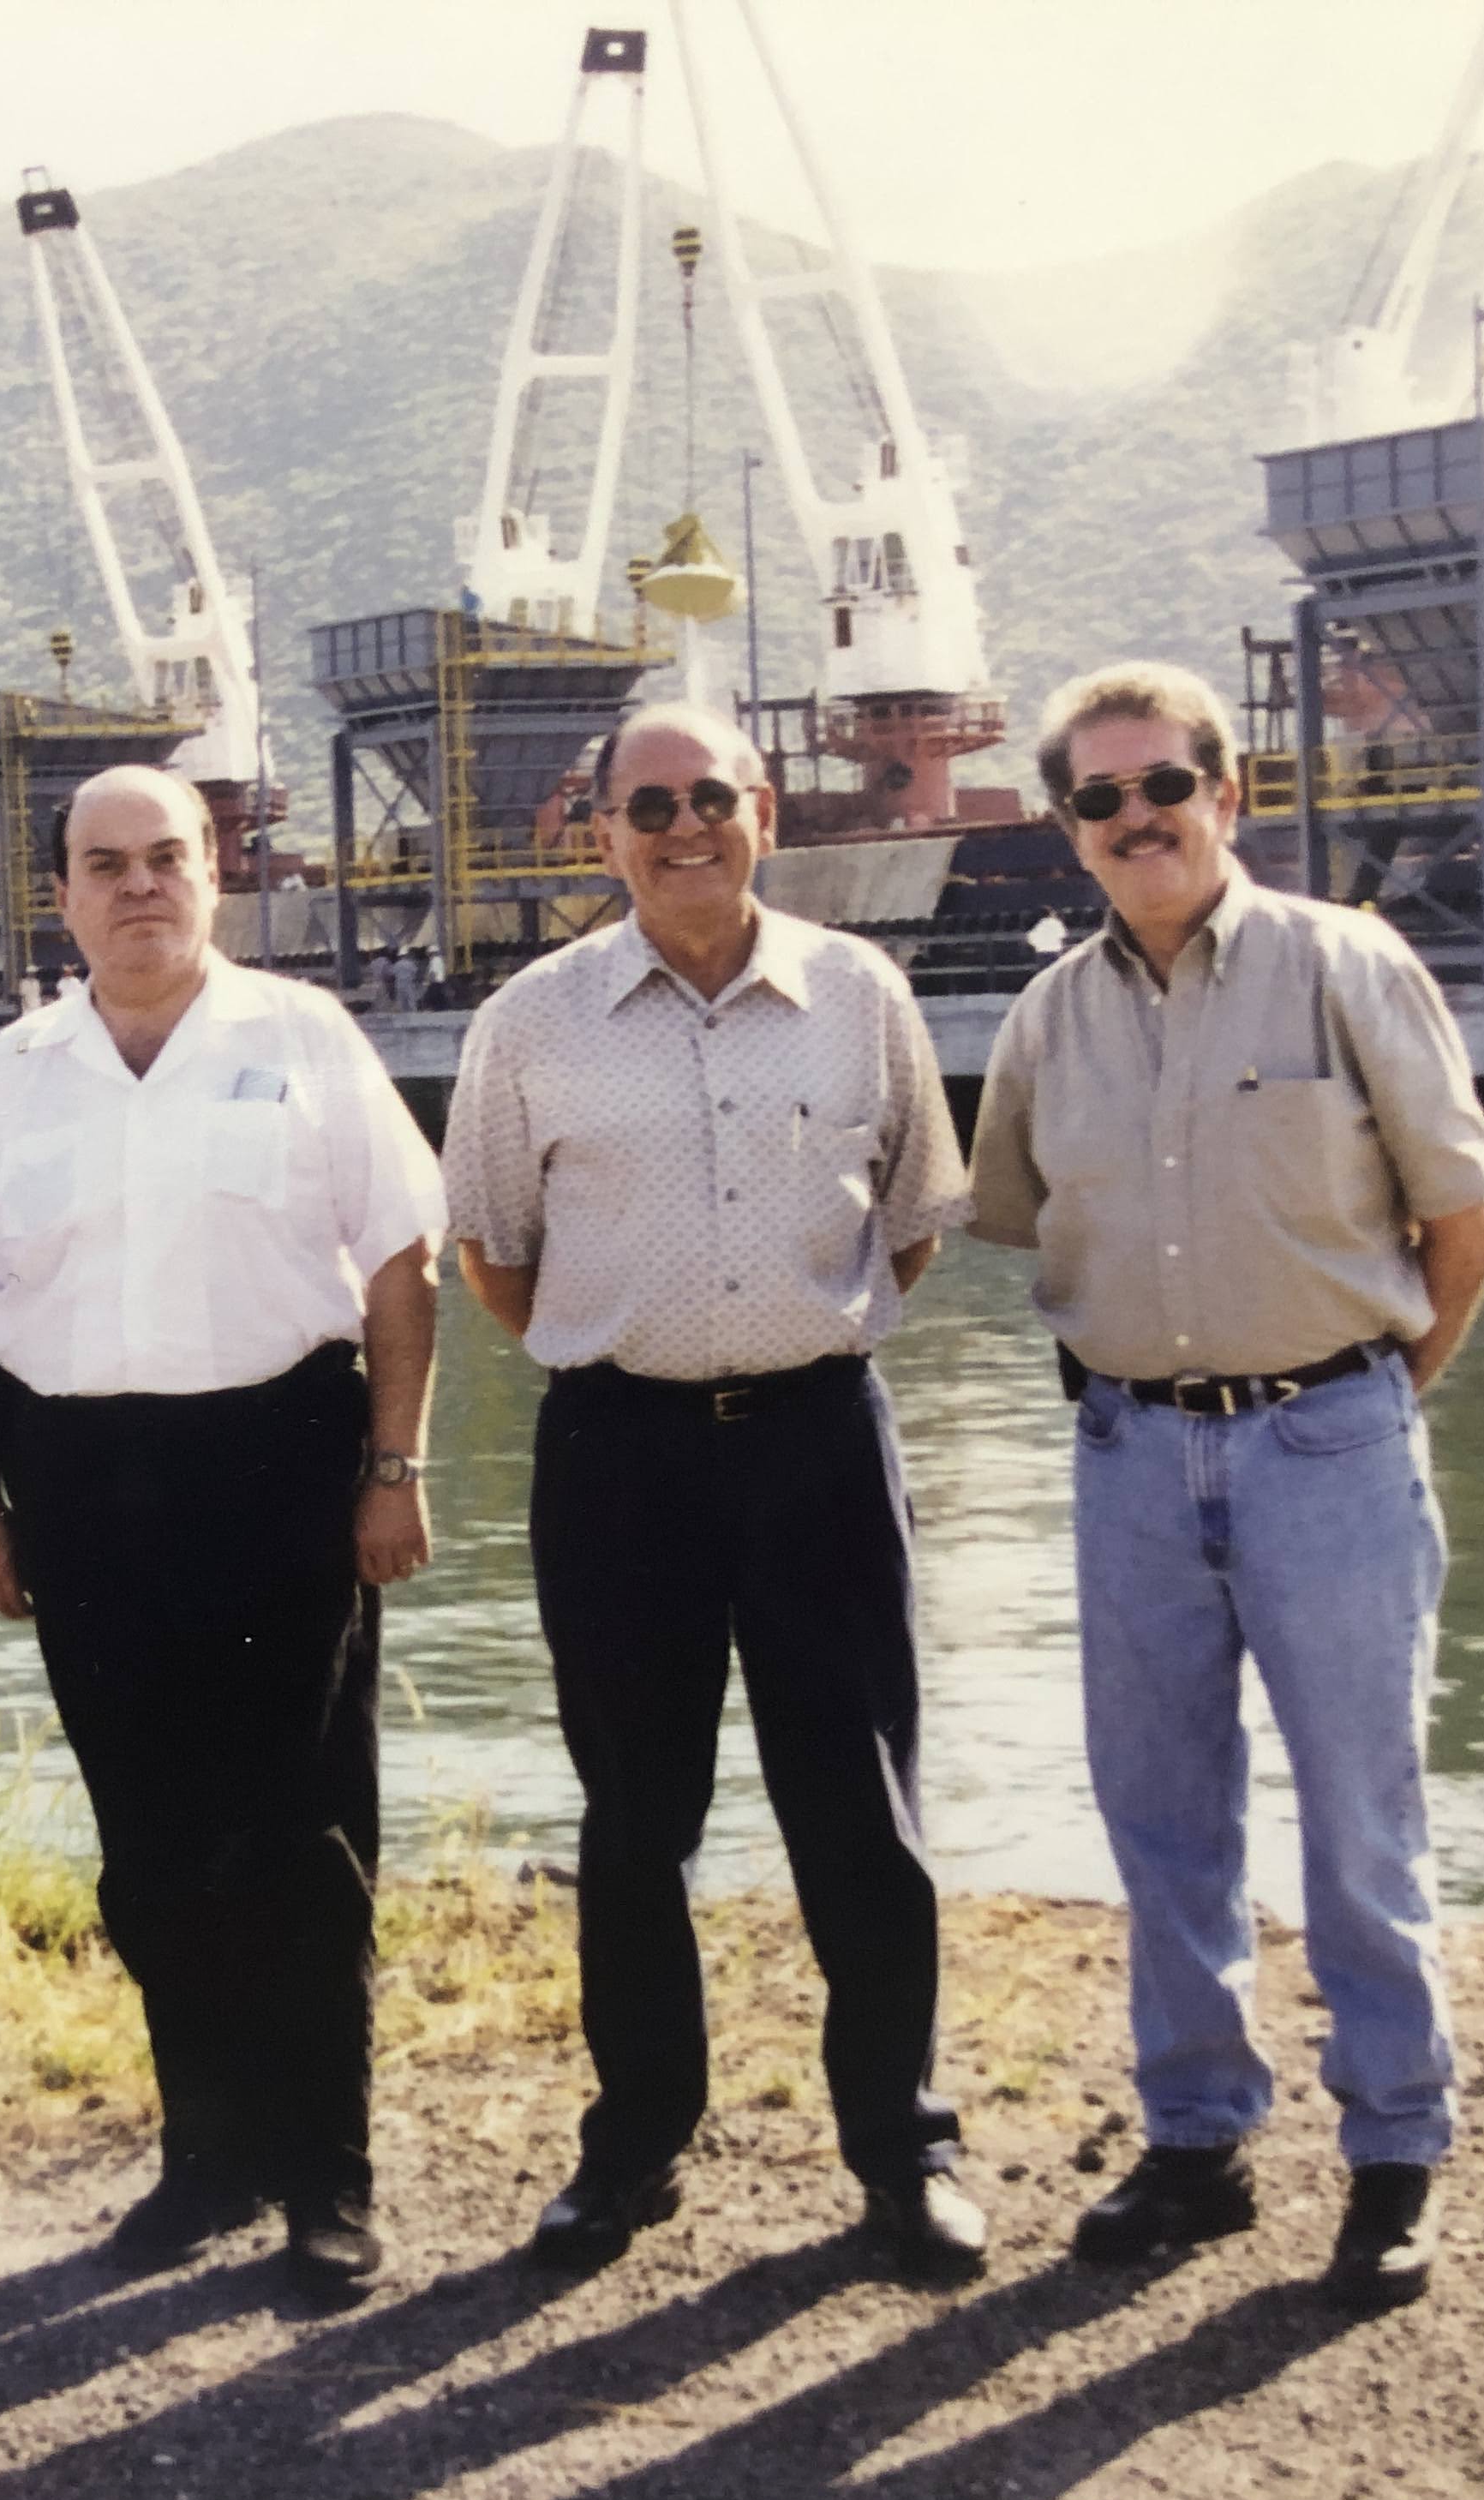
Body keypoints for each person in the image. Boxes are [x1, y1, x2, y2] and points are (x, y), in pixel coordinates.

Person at [968, 661, 1484, 2311]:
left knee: (1362, 1817)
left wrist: (1356, 1403)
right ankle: (1197, 2138)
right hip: (1130, 1451)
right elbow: (1007, 1219)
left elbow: (1463, 1223)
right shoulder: (1047, 1020)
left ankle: (1394, 2148)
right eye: (1102, 799)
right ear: (1070, 832)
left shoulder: (1348, 968)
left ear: (1230, 792)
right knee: (1162, 1818)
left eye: (1166, 786)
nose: (1140, 820)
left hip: (1327, 1440)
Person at [446, 701, 986, 2282]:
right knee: (633, 1819)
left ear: (767, 811)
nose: (686, 828)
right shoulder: (530, 1024)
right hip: (618, 1458)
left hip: (818, 1443)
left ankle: (904, 2150)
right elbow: (494, 1252)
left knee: (861, 1815)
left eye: (714, 798)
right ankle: (634, 2148)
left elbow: (911, 1225)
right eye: (651, 804)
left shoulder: (859, 995)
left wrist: (769, 1350)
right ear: (600, 829)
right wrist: (640, 1357)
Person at [0, 764, 444, 2297]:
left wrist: (393, 1469)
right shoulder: (16, 1070)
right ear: (60, 894)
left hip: (277, 1463)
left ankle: (327, 2176)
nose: (138, 887)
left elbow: (404, 1264)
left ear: (215, 876)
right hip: (83, 1485)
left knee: (301, 1841)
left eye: (167, 859)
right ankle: (204, 2155)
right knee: (151, 1851)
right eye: (104, 864)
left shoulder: (304, 1039)